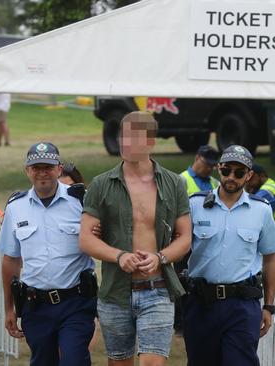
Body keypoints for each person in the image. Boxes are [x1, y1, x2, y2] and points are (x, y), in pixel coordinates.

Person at [79, 111, 191, 366]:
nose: (125, 142)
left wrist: (159, 257)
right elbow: (86, 239)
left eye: (133, 137)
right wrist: (119, 256)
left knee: (153, 362)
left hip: (158, 288)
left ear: (150, 141)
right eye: (123, 136)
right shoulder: (101, 184)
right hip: (116, 291)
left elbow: (185, 238)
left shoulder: (174, 184)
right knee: (119, 363)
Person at [0, 142, 97, 365]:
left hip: (76, 302)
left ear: (59, 169)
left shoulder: (81, 200)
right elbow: (11, 261)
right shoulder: (16, 207)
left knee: (73, 360)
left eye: (48, 167)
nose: (42, 173)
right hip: (36, 305)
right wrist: (9, 309)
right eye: (36, 167)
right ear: (27, 171)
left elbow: (102, 242)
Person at [183, 145, 275, 366]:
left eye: (239, 172)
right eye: (227, 170)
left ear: (249, 175)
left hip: (242, 306)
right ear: (218, 169)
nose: (231, 177)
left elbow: (270, 258)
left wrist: (269, 306)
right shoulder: (195, 205)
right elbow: (176, 244)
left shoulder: (261, 210)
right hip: (201, 303)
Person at [174, 144, 219, 334]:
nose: (209, 168)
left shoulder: (216, 183)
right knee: (181, 280)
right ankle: (180, 323)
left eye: (212, 165)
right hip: (183, 238)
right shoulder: (181, 180)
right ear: (197, 158)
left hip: (207, 240)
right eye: (206, 163)